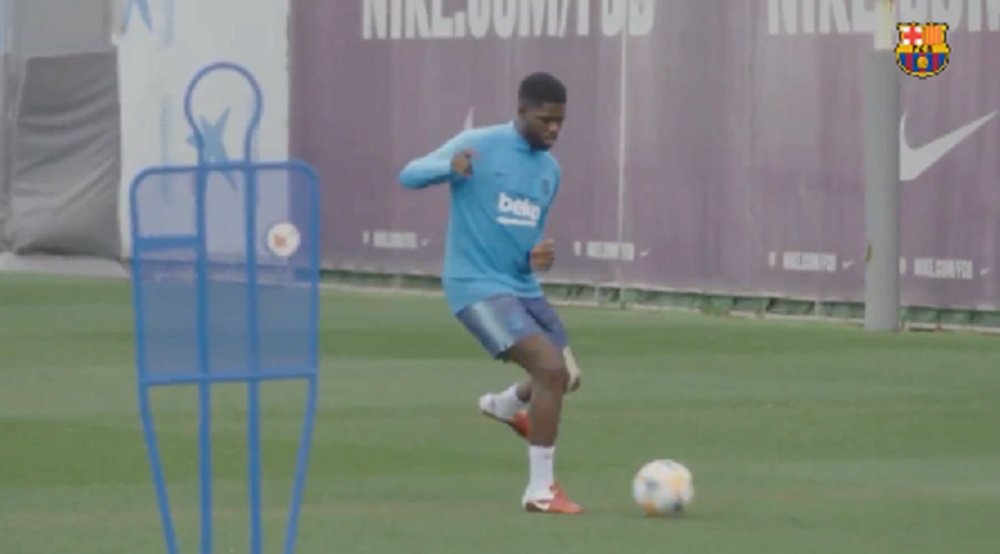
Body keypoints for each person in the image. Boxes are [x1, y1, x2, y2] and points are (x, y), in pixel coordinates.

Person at [397, 72, 584, 515]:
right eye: (545, 120)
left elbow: (526, 242)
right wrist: (448, 167)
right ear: (520, 112)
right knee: (549, 368)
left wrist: (536, 256)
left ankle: (505, 405)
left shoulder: (550, 171)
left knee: (566, 377)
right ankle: (540, 491)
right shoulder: (478, 144)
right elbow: (408, 174)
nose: (554, 130)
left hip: (522, 285)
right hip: (474, 285)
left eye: (561, 122)